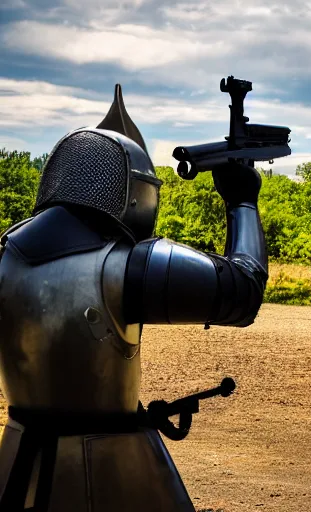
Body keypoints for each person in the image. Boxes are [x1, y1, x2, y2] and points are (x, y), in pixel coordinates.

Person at [0, 84, 267, 511]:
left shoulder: (7, 252)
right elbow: (243, 291)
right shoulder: (130, 263)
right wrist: (241, 201)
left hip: (16, 464)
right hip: (114, 467)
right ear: (136, 192)